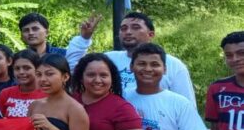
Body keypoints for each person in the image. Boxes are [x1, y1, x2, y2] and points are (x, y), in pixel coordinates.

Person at [66, 11, 196, 105]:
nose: (128, 32)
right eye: (123, 28)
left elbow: (187, 105)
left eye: (135, 27)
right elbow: (72, 68)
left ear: (151, 34)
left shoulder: (173, 64)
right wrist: (84, 39)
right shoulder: (109, 59)